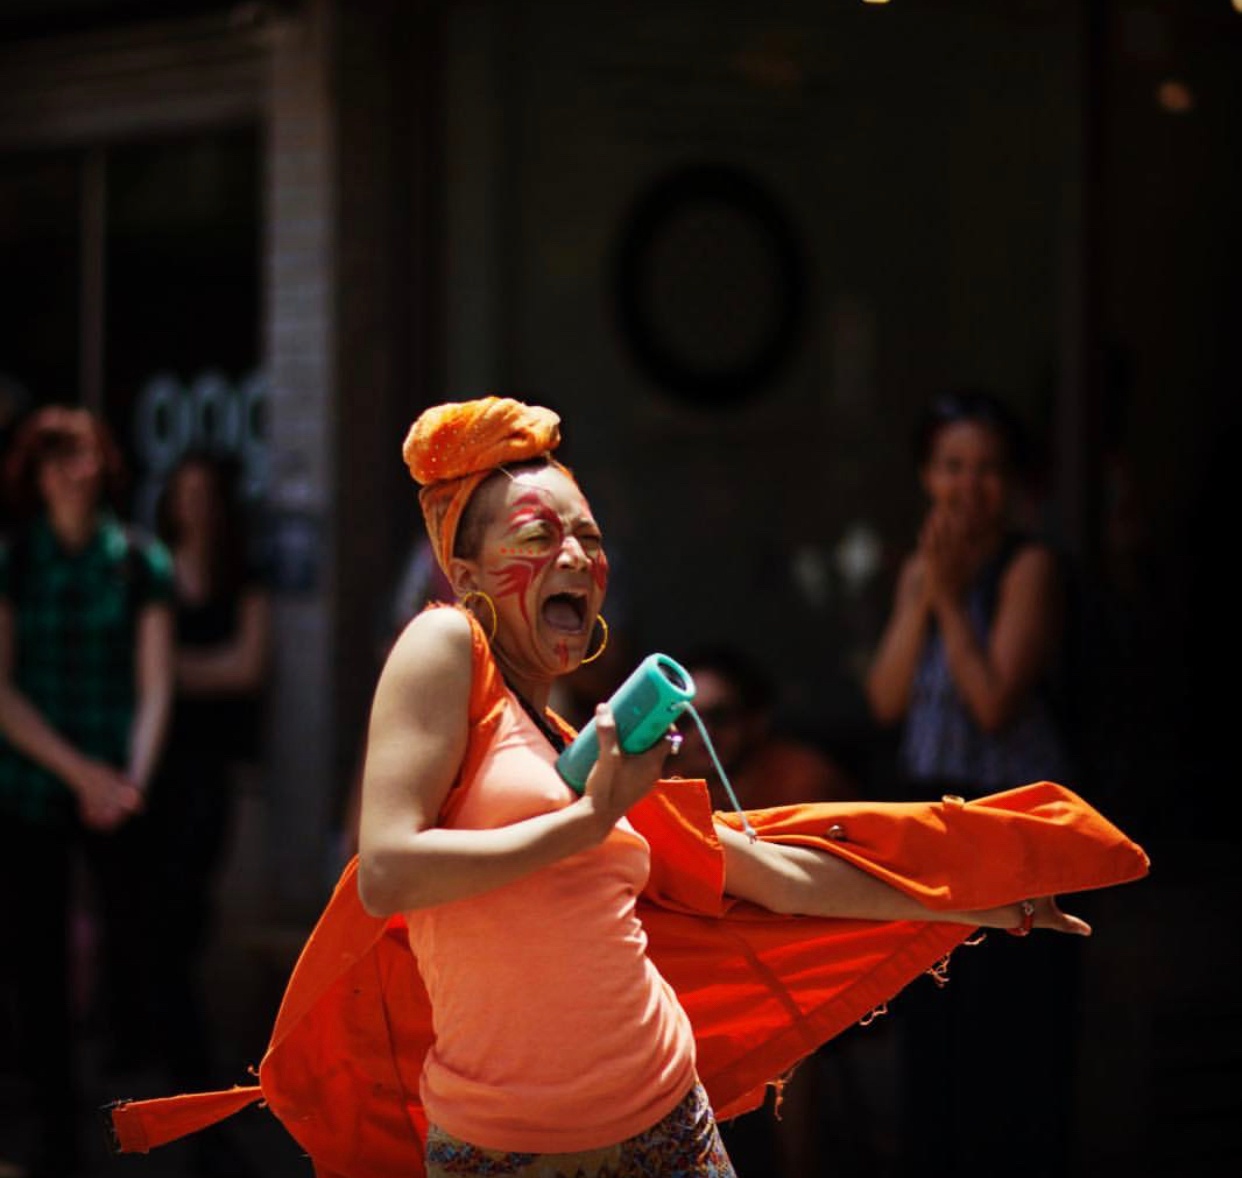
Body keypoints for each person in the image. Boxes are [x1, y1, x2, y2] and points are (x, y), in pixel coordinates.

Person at [106, 395, 1148, 1178]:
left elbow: (773, 871)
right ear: (465, 576)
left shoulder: (579, 733)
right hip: (495, 1154)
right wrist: (590, 819)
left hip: (670, 1129)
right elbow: (387, 870)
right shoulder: (440, 652)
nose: (577, 552)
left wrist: (976, 900)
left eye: (591, 538)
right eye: (541, 533)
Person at [863, 388, 1081, 1177]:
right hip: (932, 825)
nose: (969, 485)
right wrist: (925, 590)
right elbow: (886, 698)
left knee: (1008, 1034)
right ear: (927, 476)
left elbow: (993, 705)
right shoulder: (921, 567)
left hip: (1010, 828)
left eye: (988, 469)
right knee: (937, 1023)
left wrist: (952, 601)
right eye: (953, 466)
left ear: (1012, 482)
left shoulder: (1031, 568)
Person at [0, 404, 175, 1178]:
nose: (80, 471)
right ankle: (54, 1136)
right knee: (35, 970)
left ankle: (181, 1126)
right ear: (36, 475)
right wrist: (80, 774)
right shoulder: (14, 560)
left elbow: (156, 683)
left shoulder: (138, 561)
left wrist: (127, 780)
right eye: (62, 458)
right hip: (36, 785)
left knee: (150, 954)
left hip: (121, 788)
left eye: (89, 456)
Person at [146, 451, 272, 1086]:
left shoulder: (241, 574)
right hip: (150, 768)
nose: (192, 503)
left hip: (213, 770)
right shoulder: (147, 571)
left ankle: (189, 1058)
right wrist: (173, 679)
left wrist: (165, 676)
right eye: (181, 490)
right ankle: (165, 1052)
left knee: (190, 909)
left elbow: (246, 667)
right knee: (154, 914)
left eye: (204, 492)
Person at [674, 642, 858, 813]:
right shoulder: (668, 780)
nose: (702, 734)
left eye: (719, 717)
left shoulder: (800, 782)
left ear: (756, 719)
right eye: (686, 720)